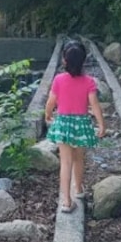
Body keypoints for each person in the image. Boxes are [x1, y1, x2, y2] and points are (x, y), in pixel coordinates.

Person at [44, 40, 105, 213]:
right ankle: (78, 189)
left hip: (63, 123)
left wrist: (47, 115)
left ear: (64, 60)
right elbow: (94, 104)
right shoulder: (89, 82)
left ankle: (66, 201)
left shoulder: (58, 80)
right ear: (84, 60)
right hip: (81, 124)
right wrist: (101, 124)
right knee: (79, 158)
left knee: (65, 162)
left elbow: (51, 101)